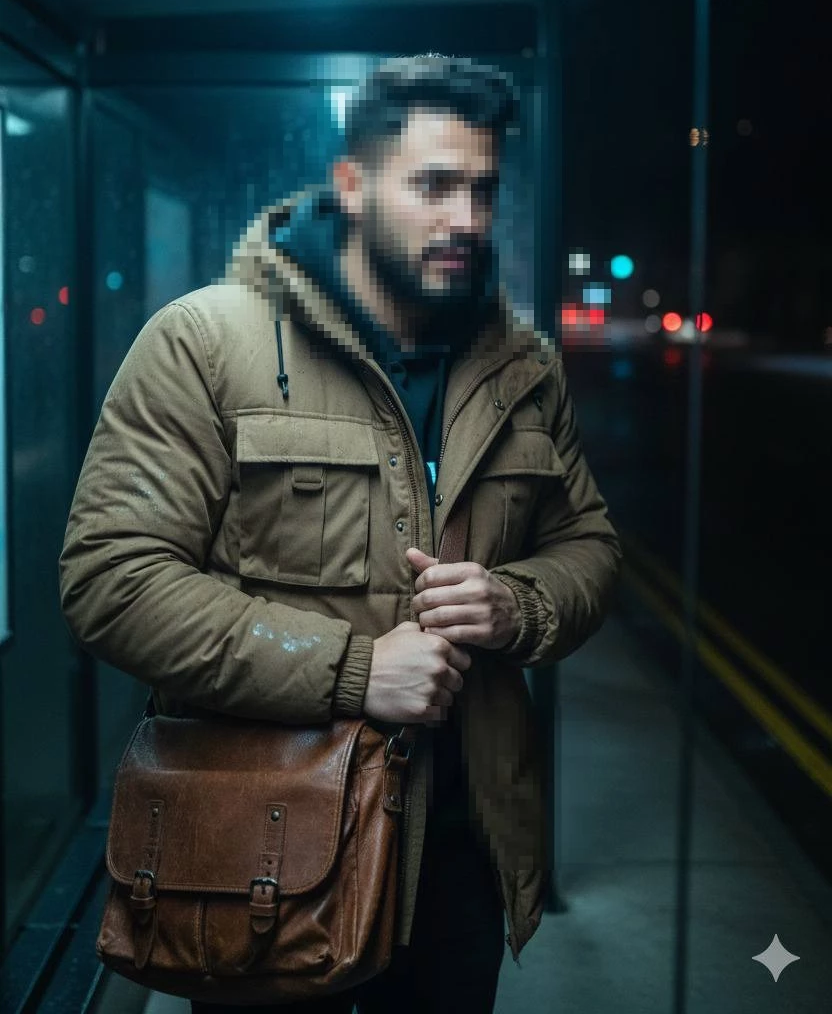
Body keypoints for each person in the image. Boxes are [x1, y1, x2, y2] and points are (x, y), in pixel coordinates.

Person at [59, 55, 621, 1013]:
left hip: (458, 851)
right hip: (263, 845)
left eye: (482, 188)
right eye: (434, 185)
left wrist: (513, 603)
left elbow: (590, 549)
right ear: (354, 187)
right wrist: (355, 671)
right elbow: (114, 580)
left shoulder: (523, 368)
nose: (466, 219)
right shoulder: (206, 342)